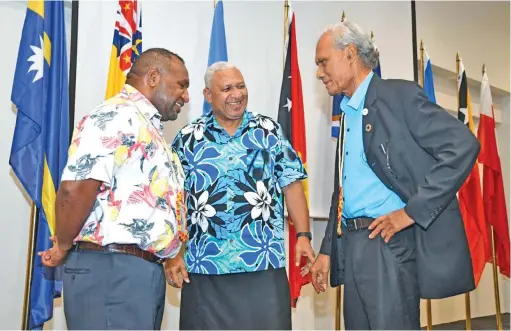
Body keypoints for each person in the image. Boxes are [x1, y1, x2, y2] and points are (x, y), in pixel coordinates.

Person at [309, 21, 479, 329]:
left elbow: (463, 145)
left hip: (388, 245)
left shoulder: (398, 96)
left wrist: (412, 212)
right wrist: (327, 251)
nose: (319, 72)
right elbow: (342, 190)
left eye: (323, 62)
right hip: (352, 245)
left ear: (349, 54)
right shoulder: (347, 113)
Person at [38, 48, 190, 330]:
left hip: (139, 274)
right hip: (111, 272)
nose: (186, 96)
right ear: (154, 77)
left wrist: (170, 253)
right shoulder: (115, 115)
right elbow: (75, 189)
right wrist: (62, 243)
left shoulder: (149, 128)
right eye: (182, 85)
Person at [169, 61, 315, 330]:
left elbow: (291, 184)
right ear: (208, 95)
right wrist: (174, 254)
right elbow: (175, 201)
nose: (237, 94)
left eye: (240, 86)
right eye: (227, 88)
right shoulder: (189, 139)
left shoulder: (268, 131)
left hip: (263, 263)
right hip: (205, 267)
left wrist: (303, 236)